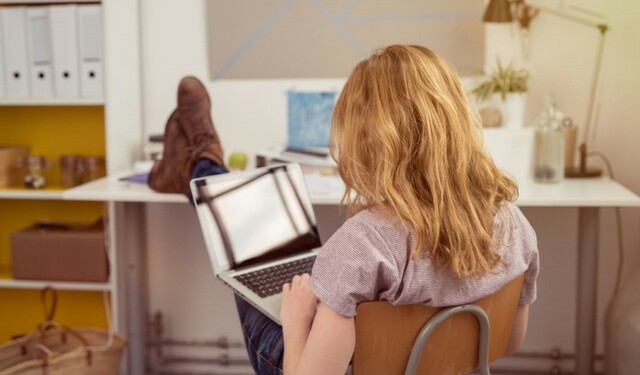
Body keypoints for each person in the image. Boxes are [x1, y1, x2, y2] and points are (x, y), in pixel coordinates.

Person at [149, 44, 539, 375]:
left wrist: (298, 321)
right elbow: (508, 340)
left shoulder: (360, 246)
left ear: (366, 142)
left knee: (244, 261)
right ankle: (199, 161)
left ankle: (199, 161)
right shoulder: (515, 225)